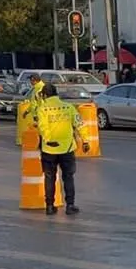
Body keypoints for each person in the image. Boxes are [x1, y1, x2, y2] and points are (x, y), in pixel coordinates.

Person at [34, 83, 89, 216]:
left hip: (49, 149)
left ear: (44, 95)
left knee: (49, 177)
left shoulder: (42, 109)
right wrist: (85, 140)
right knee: (68, 177)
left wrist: (48, 140)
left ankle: (50, 206)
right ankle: (70, 205)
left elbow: (42, 127)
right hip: (67, 149)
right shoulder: (68, 107)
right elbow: (79, 124)